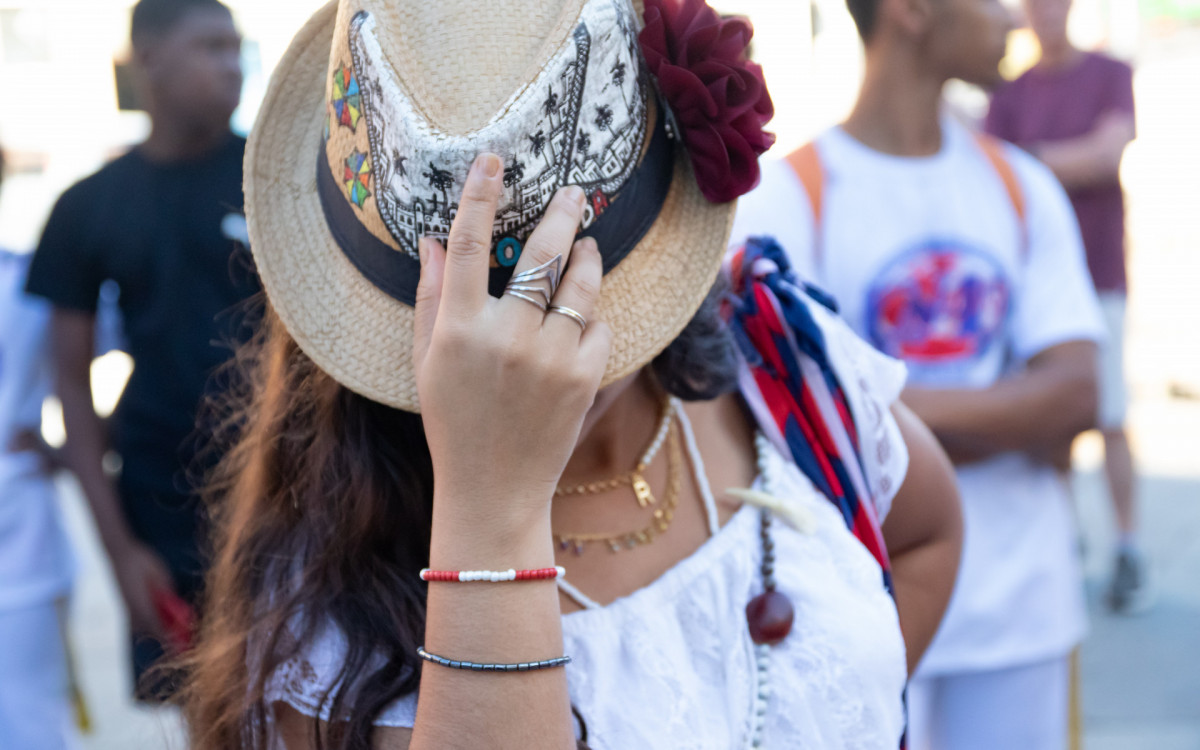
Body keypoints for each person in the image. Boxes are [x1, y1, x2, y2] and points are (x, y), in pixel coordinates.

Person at [181, 0, 964, 748]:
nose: (538, 359)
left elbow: (928, 531)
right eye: (496, 325)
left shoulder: (778, 363)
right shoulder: (322, 631)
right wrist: (492, 502)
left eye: (572, 302)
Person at [730, 0, 1106, 744]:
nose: (1013, 19)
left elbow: (1077, 394)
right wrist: (1010, 414)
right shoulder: (790, 196)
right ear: (910, 9)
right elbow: (777, 421)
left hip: (1022, 617)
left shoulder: (1022, 185)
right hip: (858, 621)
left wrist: (862, 417)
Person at [24, 0, 257, 695]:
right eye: (211, 46)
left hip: (291, 490)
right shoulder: (88, 206)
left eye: (236, 47)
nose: (232, 64)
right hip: (162, 503)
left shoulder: (277, 177)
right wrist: (121, 551)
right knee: (205, 709)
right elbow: (71, 384)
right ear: (148, 60)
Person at [985, 0, 1143, 614]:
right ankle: (1063, 539)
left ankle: (1127, 545)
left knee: (1108, 410)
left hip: (1097, 272)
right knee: (1048, 415)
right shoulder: (1011, 93)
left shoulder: (1109, 73)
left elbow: (1106, 154)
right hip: (1032, 287)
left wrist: (1031, 162)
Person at [0, 147, 80, 750]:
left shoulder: (27, 279)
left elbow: (104, 352)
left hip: (18, 545)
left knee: (30, 721)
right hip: (22, 538)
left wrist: (65, 449)